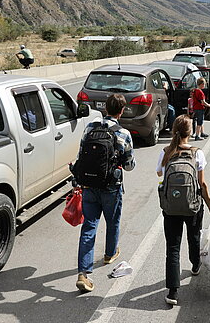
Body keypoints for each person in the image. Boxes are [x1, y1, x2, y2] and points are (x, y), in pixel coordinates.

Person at [156, 115, 210, 305]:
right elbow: (202, 184)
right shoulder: (197, 153)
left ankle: (173, 293)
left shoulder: (165, 152)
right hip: (193, 206)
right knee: (194, 237)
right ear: (190, 132)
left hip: (171, 208)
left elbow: (159, 173)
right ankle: (195, 264)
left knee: (173, 248)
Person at [75, 94, 135, 293]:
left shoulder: (91, 127)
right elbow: (128, 166)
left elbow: (81, 154)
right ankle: (110, 254)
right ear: (121, 111)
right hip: (111, 186)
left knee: (89, 226)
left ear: (105, 108)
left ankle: (83, 273)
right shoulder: (123, 133)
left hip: (89, 185)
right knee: (112, 221)